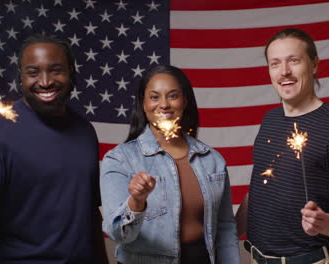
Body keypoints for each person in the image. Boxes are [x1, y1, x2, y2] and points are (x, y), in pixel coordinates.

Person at [235, 28, 329, 263]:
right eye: (275, 64)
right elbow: (259, 189)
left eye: (294, 61)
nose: (284, 72)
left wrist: (325, 222)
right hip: (256, 258)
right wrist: (229, 232)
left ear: (314, 64)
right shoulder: (270, 120)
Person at [100, 65, 240, 264]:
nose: (164, 105)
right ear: (144, 103)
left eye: (173, 96)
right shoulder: (120, 159)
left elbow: (225, 228)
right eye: (155, 97)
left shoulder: (212, 159)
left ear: (185, 100)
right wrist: (137, 201)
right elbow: (118, 235)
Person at [0, 34, 108, 263]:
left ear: (71, 74)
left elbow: (90, 213)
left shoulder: (85, 131)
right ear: (20, 78)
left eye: (55, 70)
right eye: (33, 73)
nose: (45, 82)